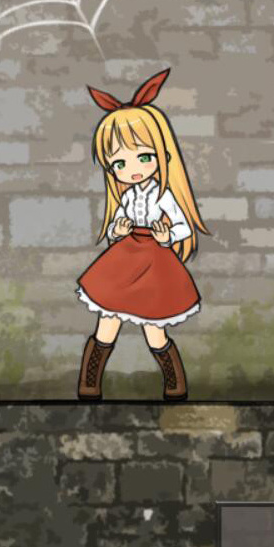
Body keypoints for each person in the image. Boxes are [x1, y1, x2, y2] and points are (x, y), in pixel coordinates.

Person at [73, 68, 208, 401]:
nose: (132, 169)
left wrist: (166, 237)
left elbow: (182, 226)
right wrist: (117, 229)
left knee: (154, 330)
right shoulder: (129, 195)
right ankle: (90, 383)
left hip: (154, 261)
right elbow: (117, 223)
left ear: (163, 155)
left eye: (143, 157)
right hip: (125, 256)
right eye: (119, 164)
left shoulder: (163, 194)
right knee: (107, 321)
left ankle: (175, 384)